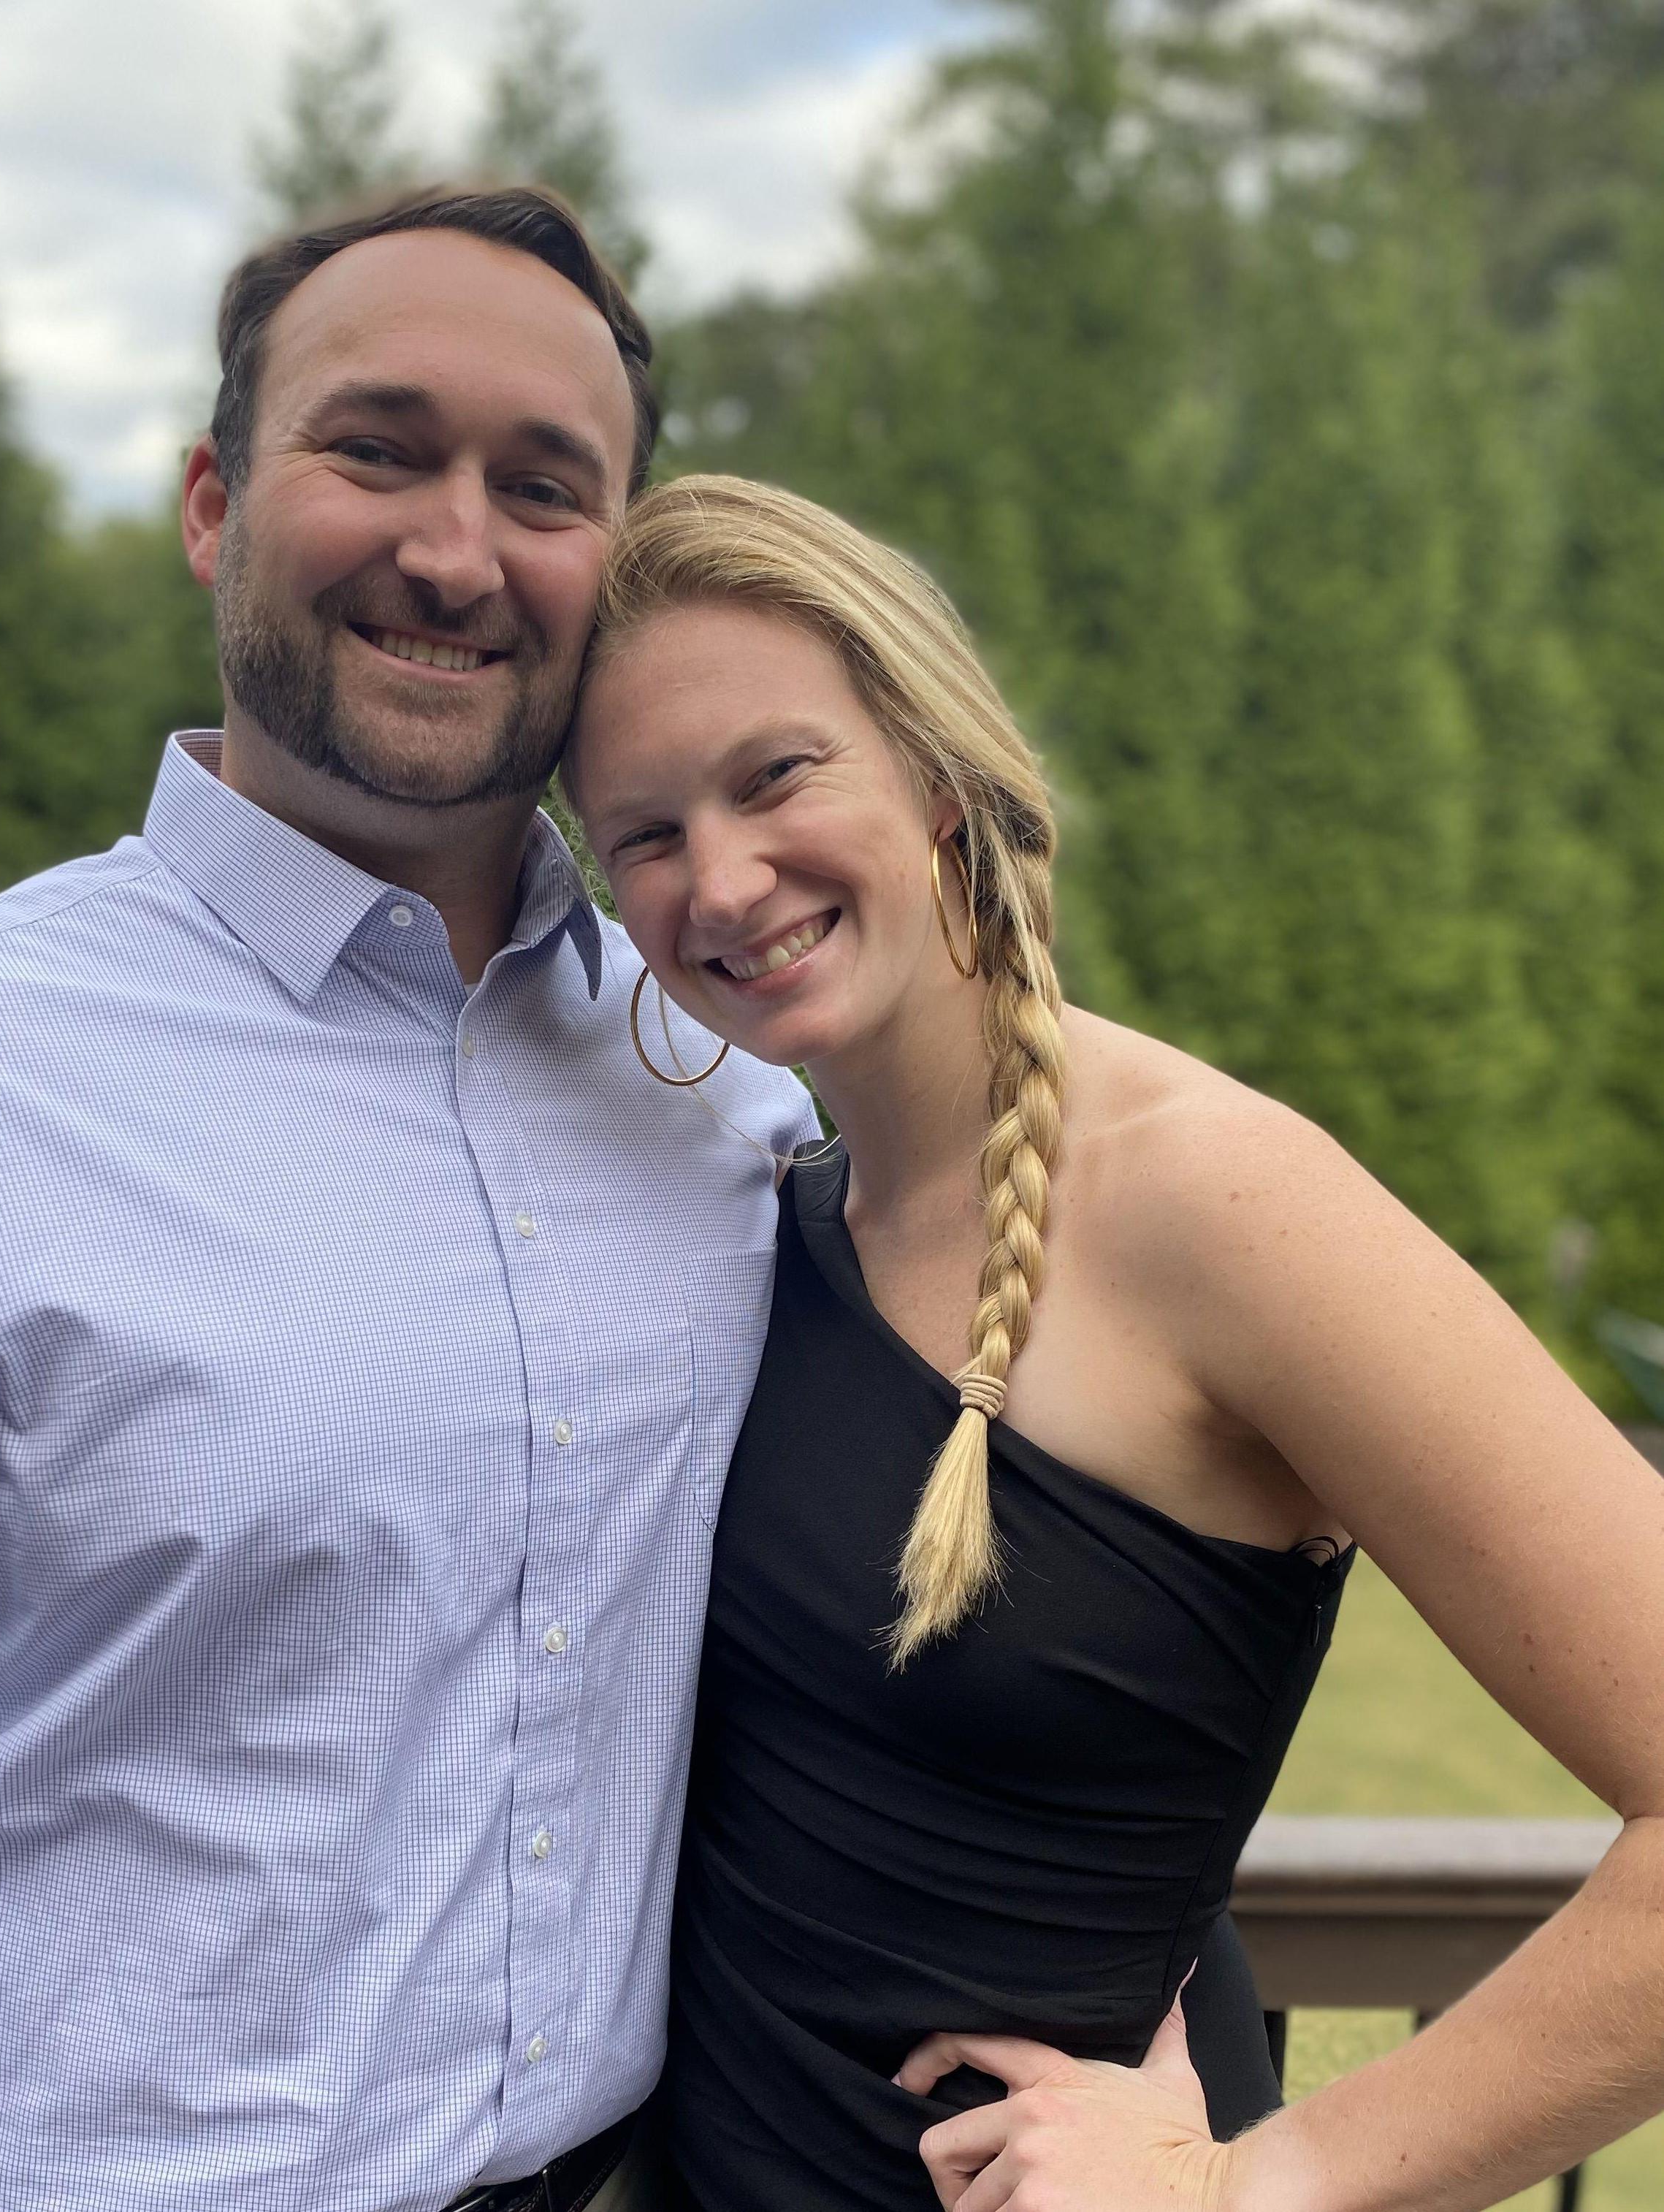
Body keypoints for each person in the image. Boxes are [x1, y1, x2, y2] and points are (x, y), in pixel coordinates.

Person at [0, 190, 817, 2212]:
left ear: (617, 564)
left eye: (541, 486)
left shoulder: (729, 1095)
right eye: (374, 448)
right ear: (213, 506)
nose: (454, 551)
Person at [564, 473, 1664, 2211]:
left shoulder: (1214, 1201)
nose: (720, 876)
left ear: (935, 767)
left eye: (773, 774)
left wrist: (1258, 2182)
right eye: (642, 833)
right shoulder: (771, 1221)